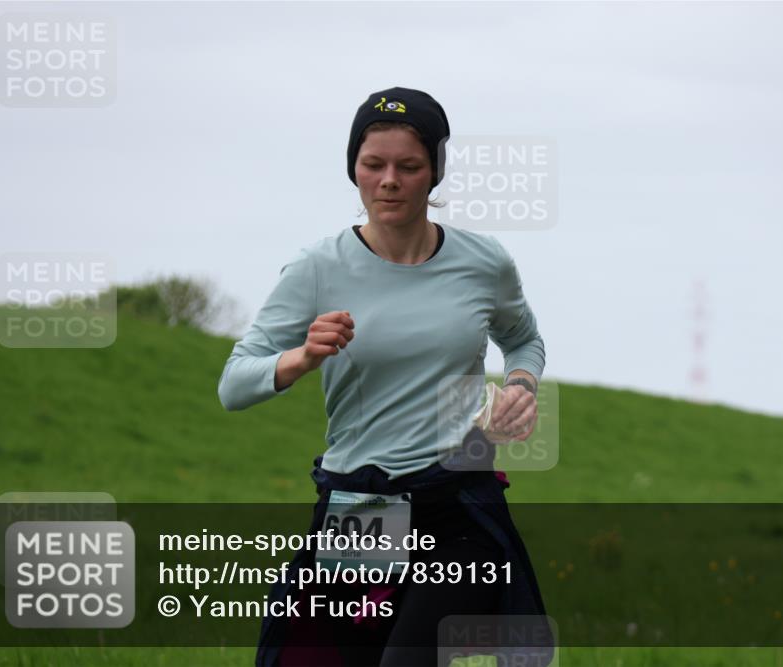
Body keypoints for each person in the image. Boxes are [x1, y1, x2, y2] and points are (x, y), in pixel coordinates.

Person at [218, 86, 552, 667]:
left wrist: (521, 385)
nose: (389, 180)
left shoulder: (483, 262)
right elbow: (233, 383)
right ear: (354, 169)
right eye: (373, 165)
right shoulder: (317, 268)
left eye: (408, 166)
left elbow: (523, 338)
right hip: (362, 512)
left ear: (435, 172)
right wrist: (300, 358)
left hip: (457, 502)